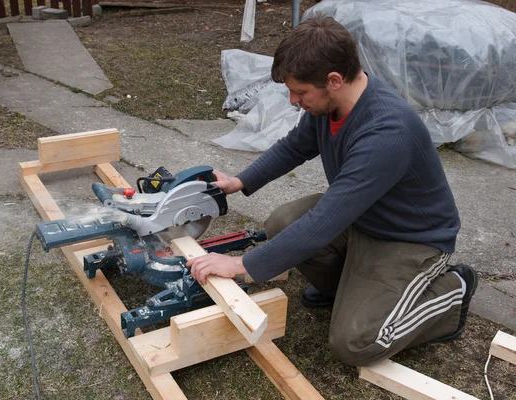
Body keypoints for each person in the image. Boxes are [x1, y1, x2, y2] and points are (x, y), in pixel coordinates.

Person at [186, 14, 478, 367]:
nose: (294, 100)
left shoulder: (387, 132)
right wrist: (241, 180)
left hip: (410, 240)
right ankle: (344, 290)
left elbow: (326, 220)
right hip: (365, 215)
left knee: (356, 343)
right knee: (283, 222)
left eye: (300, 92)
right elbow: (296, 146)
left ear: (334, 80)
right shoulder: (332, 104)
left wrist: (240, 264)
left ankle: (452, 294)